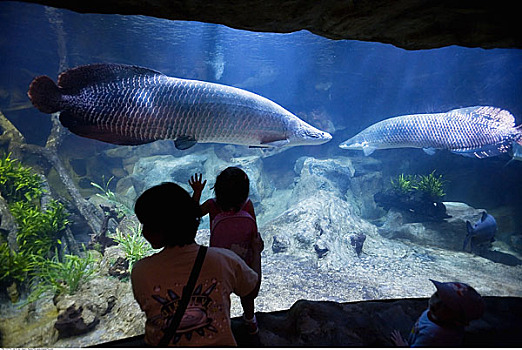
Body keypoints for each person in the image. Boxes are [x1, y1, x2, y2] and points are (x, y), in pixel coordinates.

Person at [131, 182, 258, 346]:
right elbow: (251, 289)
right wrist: (256, 252)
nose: (143, 232)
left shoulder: (141, 272)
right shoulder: (223, 260)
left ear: (160, 229)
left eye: (147, 225)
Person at [189, 167, 264, 335]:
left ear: (217, 189)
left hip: (219, 260)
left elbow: (193, 214)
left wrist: (197, 192)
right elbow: (254, 233)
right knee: (247, 294)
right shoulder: (248, 205)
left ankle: (221, 325)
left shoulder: (212, 205)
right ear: (245, 192)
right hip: (244, 259)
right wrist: (256, 250)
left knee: (220, 294)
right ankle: (250, 321)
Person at [391, 279, 485, 347]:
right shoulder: (438, 316)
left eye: (446, 306)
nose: (435, 303)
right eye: (437, 295)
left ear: (457, 319)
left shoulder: (433, 335)